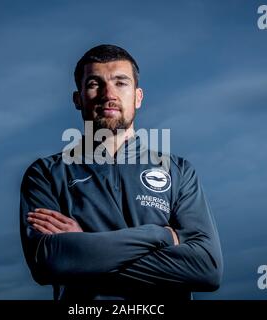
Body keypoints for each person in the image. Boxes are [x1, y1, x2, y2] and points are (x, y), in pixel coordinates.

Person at [19, 44, 223, 300]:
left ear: (138, 97)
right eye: (95, 84)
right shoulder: (46, 174)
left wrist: (84, 250)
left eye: (120, 83)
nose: (108, 94)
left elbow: (207, 269)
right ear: (78, 98)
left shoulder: (178, 171)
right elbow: (50, 262)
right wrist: (160, 235)